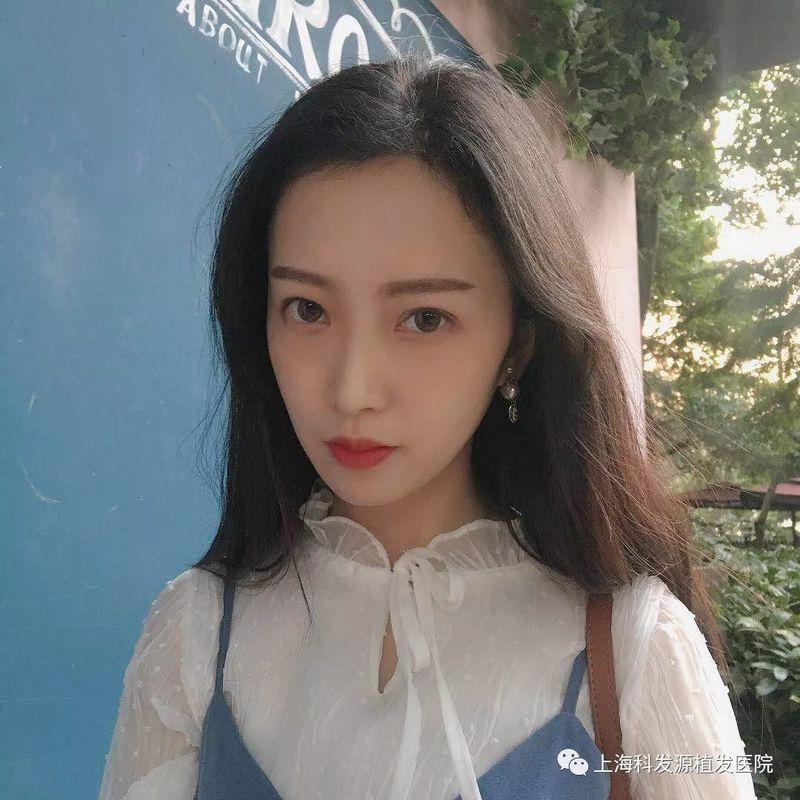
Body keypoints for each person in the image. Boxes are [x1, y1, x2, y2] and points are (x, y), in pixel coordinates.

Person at [98, 54, 758, 800]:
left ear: (518, 343)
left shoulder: (634, 652)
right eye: (307, 310)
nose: (352, 390)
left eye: (424, 318)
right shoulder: (195, 637)